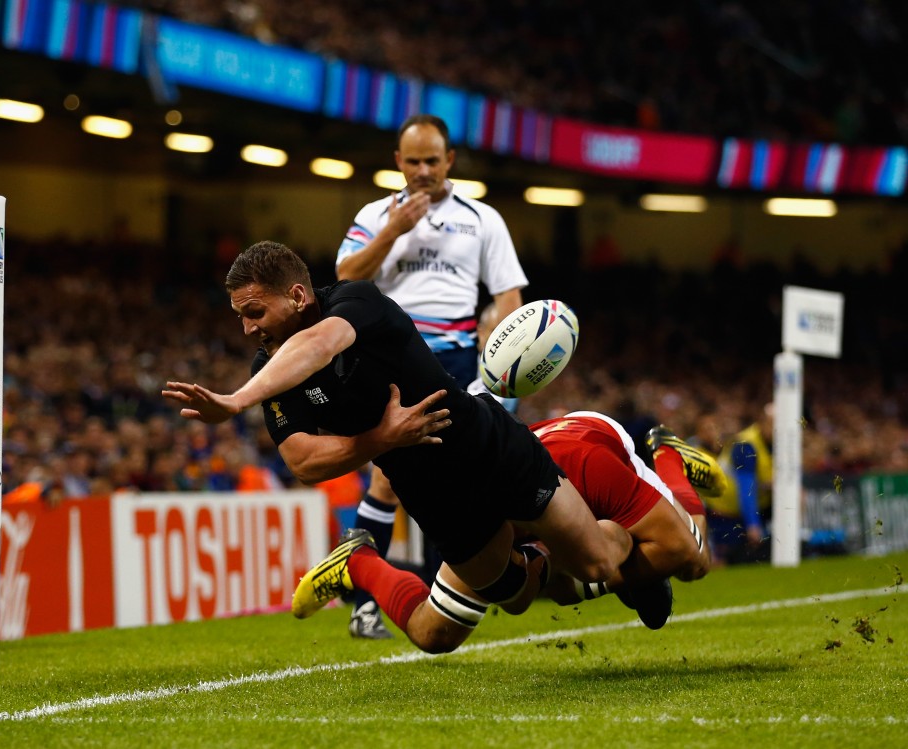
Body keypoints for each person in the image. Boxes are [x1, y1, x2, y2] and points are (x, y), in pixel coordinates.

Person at [162, 241, 635, 635]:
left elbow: (320, 344)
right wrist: (382, 438)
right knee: (512, 596)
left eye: (255, 311)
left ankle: (634, 560)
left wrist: (236, 401)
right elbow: (303, 463)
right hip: (429, 493)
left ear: (298, 296)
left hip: (483, 447)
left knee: (597, 565)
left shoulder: (356, 301)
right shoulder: (269, 370)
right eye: (239, 316)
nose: (247, 328)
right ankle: (545, 554)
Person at [289, 410, 726, 653]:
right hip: (524, 503)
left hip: (585, 443)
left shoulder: (589, 468)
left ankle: (667, 452)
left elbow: (678, 550)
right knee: (433, 633)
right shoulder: (465, 508)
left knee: (693, 560)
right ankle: (356, 558)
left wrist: (569, 584)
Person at [335, 113, 528, 637]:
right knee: (389, 477)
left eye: (432, 160)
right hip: (391, 359)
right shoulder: (375, 214)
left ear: (450, 161)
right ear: (398, 162)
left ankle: (481, 581)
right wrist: (395, 231)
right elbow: (345, 276)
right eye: (413, 160)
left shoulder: (482, 219)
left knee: (479, 472)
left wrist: (500, 344)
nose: (423, 170)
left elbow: (509, 297)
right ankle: (363, 601)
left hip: (460, 360)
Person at [706, 403, 774, 565]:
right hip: (724, 513)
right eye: (773, 424)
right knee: (727, 562)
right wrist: (753, 525)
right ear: (762, 422)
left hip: (755, 507)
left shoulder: (781, 444)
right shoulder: (745, 445)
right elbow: (747, 487)